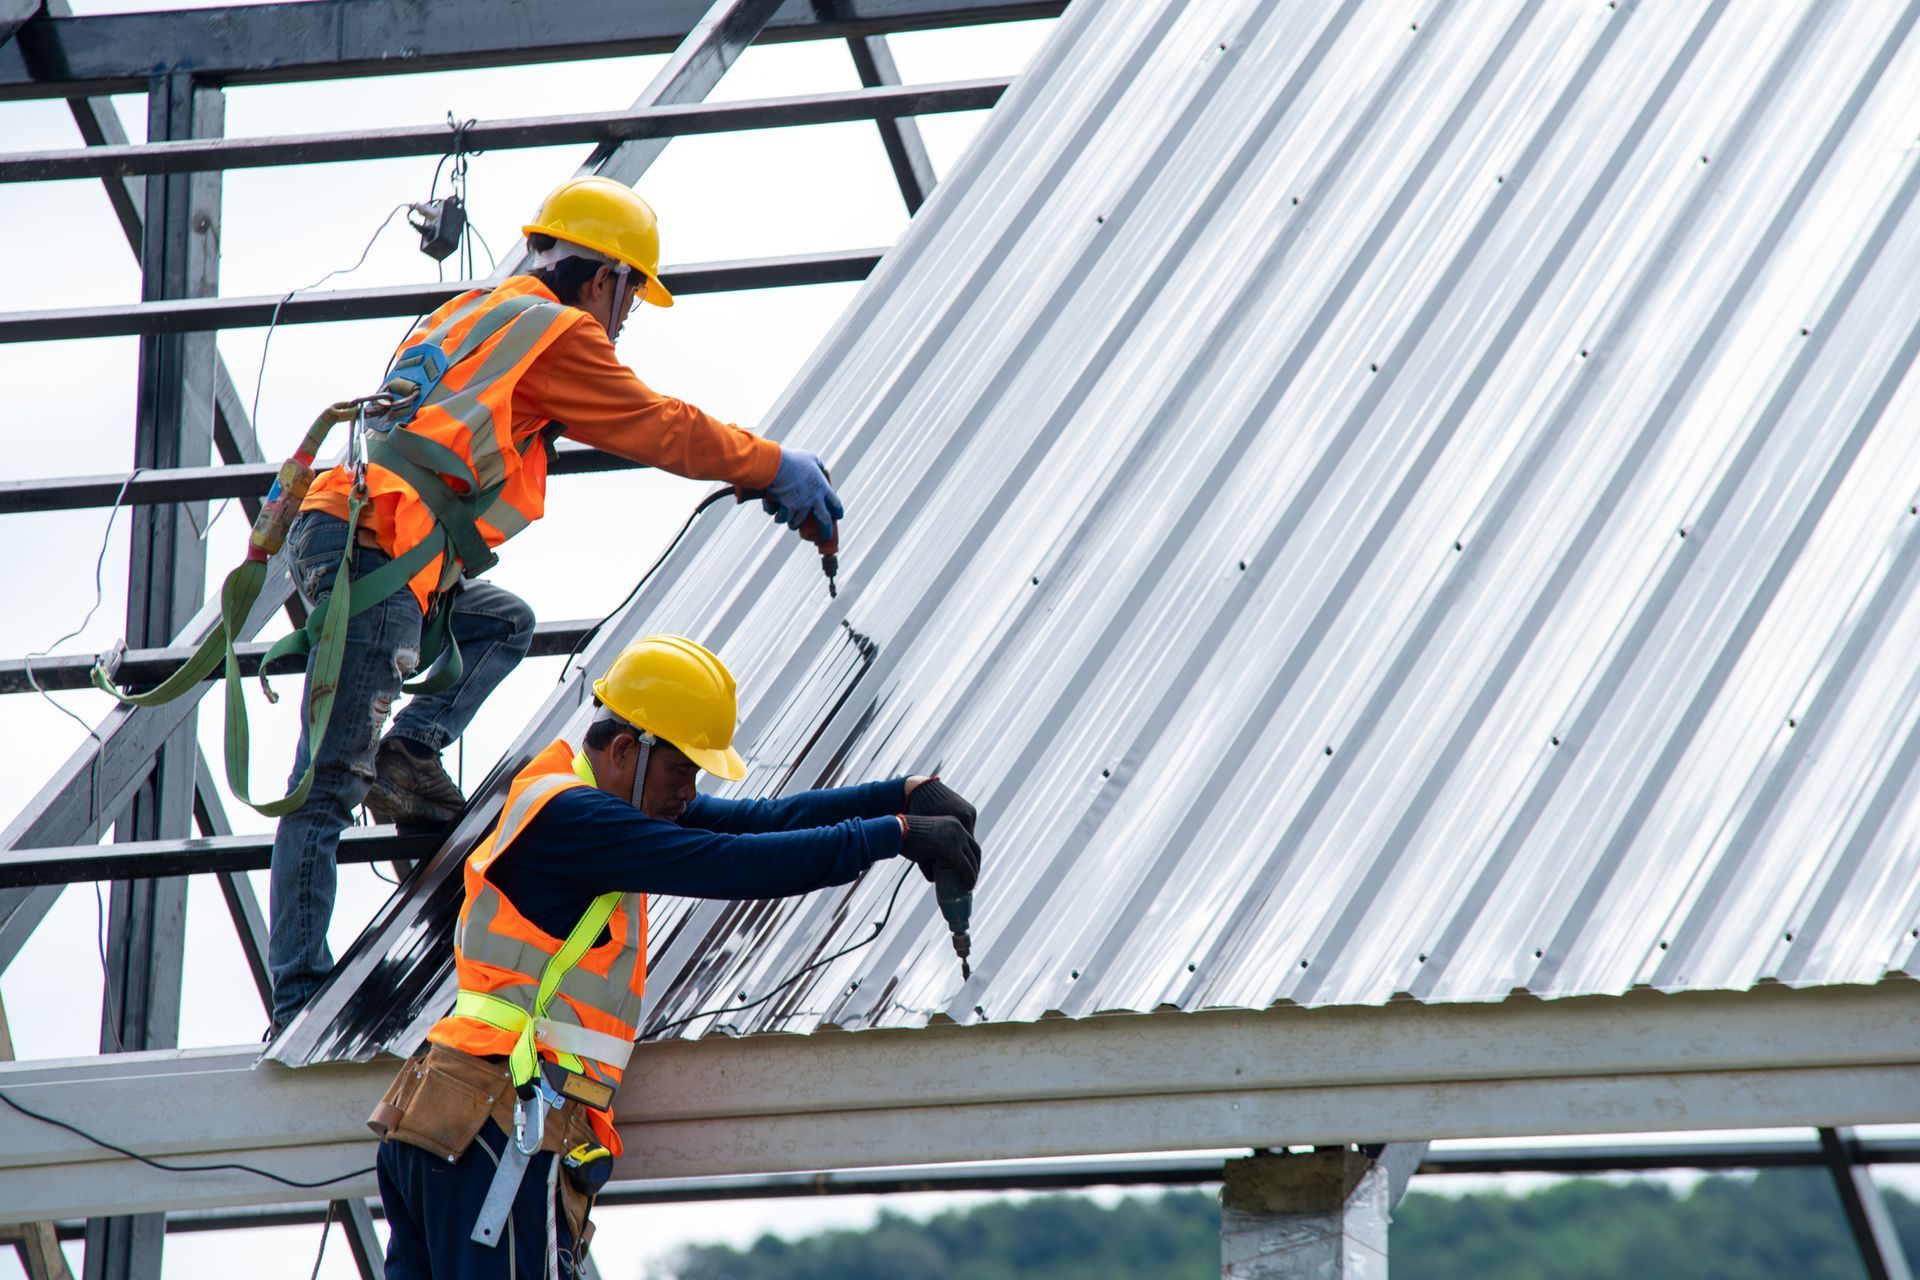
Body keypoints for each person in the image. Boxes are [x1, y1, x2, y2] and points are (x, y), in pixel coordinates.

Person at [267, 176, 846, 1034]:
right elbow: (658, 424)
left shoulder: (473, 313)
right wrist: (769, 466)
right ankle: (297, 993)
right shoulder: (557, 332)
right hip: (382, 548)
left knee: (504, 624)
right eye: (628, 301)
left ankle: (410, 754)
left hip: (367, 540)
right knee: (324, 784)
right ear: (603, 277)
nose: (621, 325)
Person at [366, 635, 982, 1278]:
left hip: (449, 1115)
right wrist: (896, 835)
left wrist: (901, 795)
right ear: (629, 750)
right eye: (682, 769)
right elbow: (732, 863)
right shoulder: (580, 820)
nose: (688, 791)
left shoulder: (570, 798)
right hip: (495, 1124)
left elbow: (756, 824)